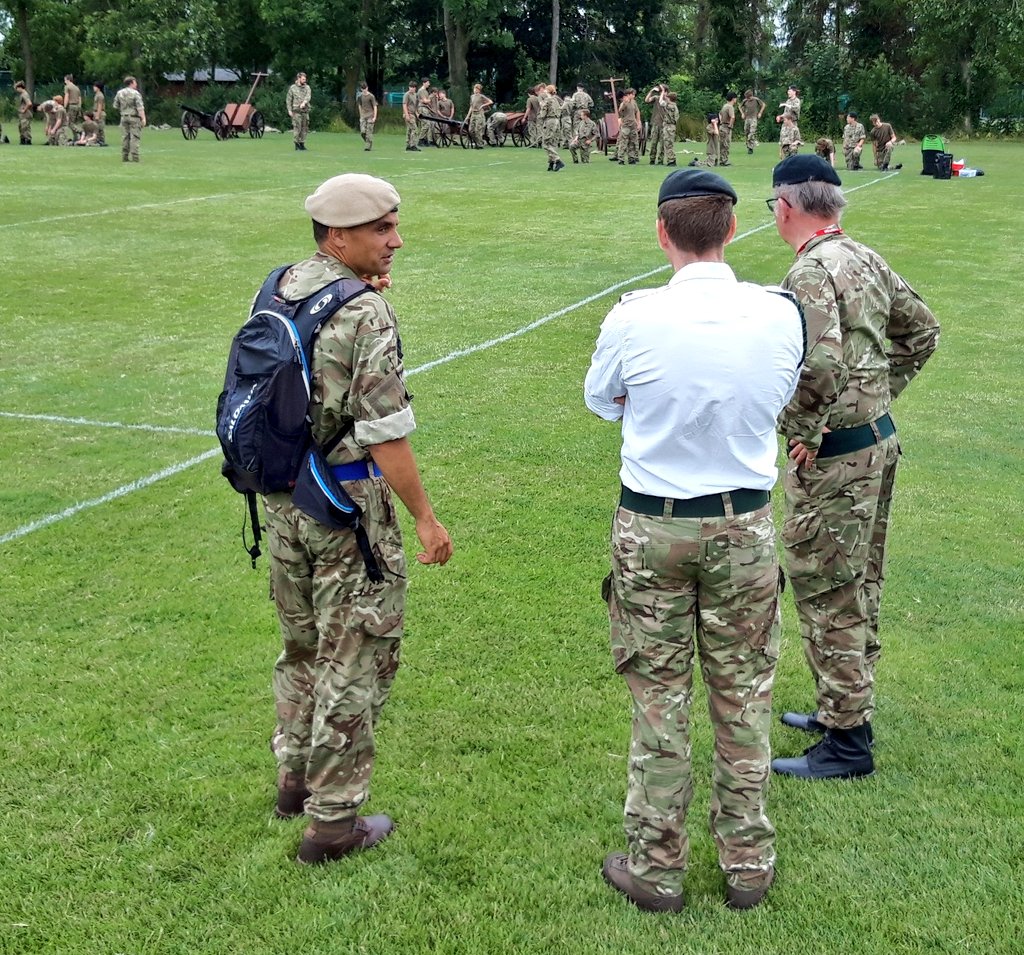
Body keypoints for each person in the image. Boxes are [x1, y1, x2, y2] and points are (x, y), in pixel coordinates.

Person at [585, 168, 805, 913]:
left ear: (662, 232)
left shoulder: (634, 316)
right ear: (732, 229)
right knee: (743, 696)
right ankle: (747, 860)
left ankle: (656, 864)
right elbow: (783, 387)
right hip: (743, 523)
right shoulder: (780, 312)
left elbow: (600, 399)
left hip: (653, 525)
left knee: (659, 700)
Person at [263, 173, 453, 863]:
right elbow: (385, 433)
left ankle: (295, 778)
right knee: (356, 656)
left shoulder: (283, 283)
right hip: (346, 510)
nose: (396, 241)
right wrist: (426, 518)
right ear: (338, 236)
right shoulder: (365, 313)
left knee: (301, 646)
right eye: (382, 229)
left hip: (283, 501)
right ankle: (333, 822)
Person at [767, 155, 939, 780]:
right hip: (876, 443)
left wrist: (804, 430)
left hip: (839, 456)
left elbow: (821, 364)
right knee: (858, 581)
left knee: (829, 590)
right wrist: (879, 397)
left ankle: (846, 742)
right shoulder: (864, 257)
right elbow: (923, 331)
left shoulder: (812, 270)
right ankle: (840, 708)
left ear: (786, 206)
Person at [112, 76, 146, 162]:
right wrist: (143, 118)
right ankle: (135, 157)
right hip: (134, 117)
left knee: (125, 137)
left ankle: (125, 156)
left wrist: (123, 110)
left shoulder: (119, 93)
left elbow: (115, 106)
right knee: (134, 137)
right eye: (135, 82)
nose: (136, 84)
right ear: (131, 83)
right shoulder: (136, 93)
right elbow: (140, 107)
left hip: (124, 117)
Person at [537, 84, 564, 171]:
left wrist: (541, 113)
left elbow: (543, 113)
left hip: (550, 121)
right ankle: (551, 164)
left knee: (546, 143)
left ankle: (557, 160)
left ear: (548, 91)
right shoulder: (556, 99)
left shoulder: (547, 100)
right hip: (557, 121)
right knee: (552, 143)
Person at [286, 72, 311, 151]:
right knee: (297, 128)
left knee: (305, 128)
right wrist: (289, 110)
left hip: (305, 111)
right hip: (296, 111)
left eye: (305, 79)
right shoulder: (292, 88)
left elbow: (308, 96)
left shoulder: (307, 87)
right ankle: (296, 144)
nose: (304, 80)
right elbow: (289, 100)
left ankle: (302, 144)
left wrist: (304, 103)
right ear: (298, 78)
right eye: (303, 79)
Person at [616, 88, 641, 165]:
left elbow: (637, 112)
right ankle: (621, 158)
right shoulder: (624, 102)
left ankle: (632, 158)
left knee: (633, 142)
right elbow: (620, 110)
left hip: (633, 124)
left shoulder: (634, 102)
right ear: (628, 94)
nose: (634, 96)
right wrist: (624, 103)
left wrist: (638, 122)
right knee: (623, 142)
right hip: (626, 125)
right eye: (632, 94)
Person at [464, 83, 492, 149]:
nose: (475, 90)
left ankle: (480, 144)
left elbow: (490, 101)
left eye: (477, 89)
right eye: (475, 88)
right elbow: (471, 107)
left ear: (479, 90)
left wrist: (482, 105)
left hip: (479, 114)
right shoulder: (472, 97)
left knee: (477, 130)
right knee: (471, 130)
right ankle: (478, 142)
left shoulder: (481, 96)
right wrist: (468, 116)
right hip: (473, 114)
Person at [645, 84, 666, 165]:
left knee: (662, 144)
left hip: (664, 124)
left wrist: (663, 91)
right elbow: (647, 100)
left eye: (662, 91)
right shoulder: (656, 98)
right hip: (655, 123)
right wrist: (651, 91)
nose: (661, 93)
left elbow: (662, 102)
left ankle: (660, 160)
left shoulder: (667, 100)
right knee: (653, 143)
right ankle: (652, 159)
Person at [740, 89, 766, 154]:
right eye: (747, 98)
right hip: (747, 118)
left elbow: (763, 105)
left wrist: (760, 113)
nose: (748, 99)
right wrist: (742, 113)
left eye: (748, 98)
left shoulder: (756, 100)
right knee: (746, 132)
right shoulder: (745, 101)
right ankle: (749, 146)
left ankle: (751, 147)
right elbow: (740, 106)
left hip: (753, 118)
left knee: (752, 132)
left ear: (751, 96)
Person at [356, 82, 377, 152]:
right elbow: (359, 106)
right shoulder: (360, 96)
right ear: (361, 89)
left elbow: (375, 106)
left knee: (369, 132)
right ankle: (368, 141)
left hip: (370, 115)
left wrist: (374, 117)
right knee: (362, 132)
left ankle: (368, 146)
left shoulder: (371, 96)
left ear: (367, 88)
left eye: (365, 89)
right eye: (363, 89)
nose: (364, 90)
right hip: (363, 116)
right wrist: (360, 115)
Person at [718, 92, 737, 166]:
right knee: (726, 144)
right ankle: (724, 160)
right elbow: (732, 117)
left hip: (722, 126)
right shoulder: (730, 107)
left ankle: (722, 159)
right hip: (726, 127)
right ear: (733, 99)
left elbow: (719, 114)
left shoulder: (724, 105)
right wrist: (730, 125)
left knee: (722, 144)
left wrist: (721, 121)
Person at [660, 91, 679, 166]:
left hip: (669, 126)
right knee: (669, 143)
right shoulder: (674, 106)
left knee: (668, 144)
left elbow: (661, 102)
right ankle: (671, 159)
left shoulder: (669, 106)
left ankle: (671, 160)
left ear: (669, 98)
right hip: (671, 126)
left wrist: (662, 93)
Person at [402, 81, 420, 151]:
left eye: (413, 87)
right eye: (410, 87)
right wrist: (406, 115)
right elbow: (404, 105)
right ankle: (413, 145)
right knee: (414, 129)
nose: (412, 88)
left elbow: (414, 106)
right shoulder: (407, 95)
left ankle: (408, 145)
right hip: (408, 114)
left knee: (409, 130)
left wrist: (417, 113)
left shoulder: (415, 95)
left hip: (413, 114)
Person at [15, 81, 33, 145]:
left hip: (25, 115)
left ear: (20, 87)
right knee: (21, 127)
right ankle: (22, 140)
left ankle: (28, 140)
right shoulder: (22, 94)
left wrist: (24, 110)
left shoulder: (24, 94)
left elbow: (29, 103)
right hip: (22, 115)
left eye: (16, 88)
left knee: (25, 128)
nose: (16, 90)